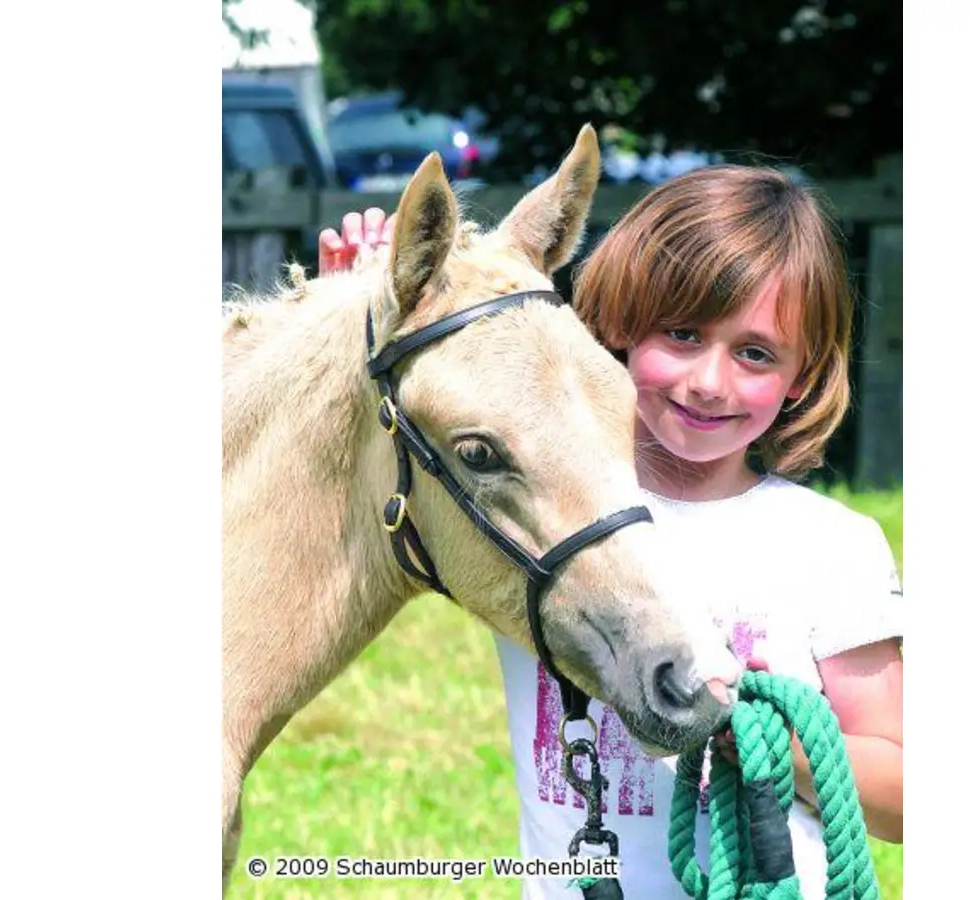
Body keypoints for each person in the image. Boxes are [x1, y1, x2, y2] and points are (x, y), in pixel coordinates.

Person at [319, 165, 903, 899]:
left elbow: (903, 789)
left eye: (755, 353)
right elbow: (379, 468)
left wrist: (772, 748)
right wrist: (364, 322)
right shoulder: (533, 504)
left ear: (802, 374)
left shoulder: (829, 545)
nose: (708, 383)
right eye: (682, 335)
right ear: (622, 323)